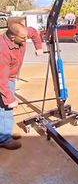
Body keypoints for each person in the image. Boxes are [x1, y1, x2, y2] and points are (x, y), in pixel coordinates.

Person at [0, 22, 43, 150]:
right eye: (23, 38)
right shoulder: (2, 50)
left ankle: (5, 131)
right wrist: (10, 99)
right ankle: (4, 139)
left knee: (4, 108)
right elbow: (1, 79)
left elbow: (34, 32)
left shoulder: (21, 33)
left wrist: (39, 47)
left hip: (10, 76)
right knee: (5, 108)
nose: (26, 40)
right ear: (13, 37)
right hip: (4, 78)